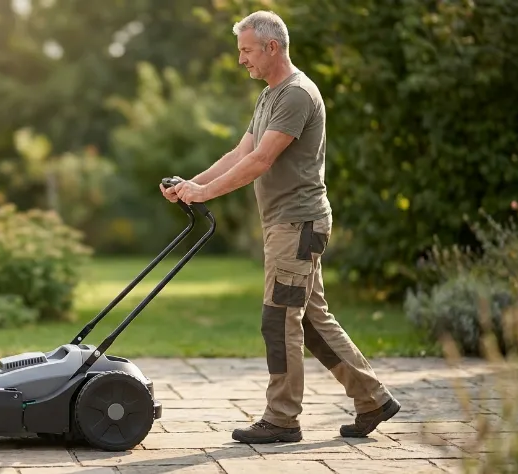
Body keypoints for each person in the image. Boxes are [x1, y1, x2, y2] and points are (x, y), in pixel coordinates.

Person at [160, 10, 401, 444]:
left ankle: (282, 418)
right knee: (311, 322)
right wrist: (192, 186)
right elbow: (241, 152)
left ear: (272, 47)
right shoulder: (270, 95)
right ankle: (373, 399)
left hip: (297, 225)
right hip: (289, 225)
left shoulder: (296, 94)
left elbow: (261, 160)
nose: (241, 59)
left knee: (279, 320)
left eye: (247, 51)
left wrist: (205, 192)